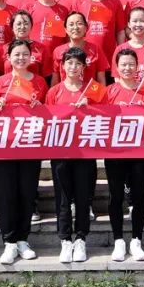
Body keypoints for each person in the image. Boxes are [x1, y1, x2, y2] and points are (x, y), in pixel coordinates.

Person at [0, 40, 48, 264]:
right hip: (5, 146)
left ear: (31, 57)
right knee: (6, 194)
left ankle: (23, 239)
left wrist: (40, 108)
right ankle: (9, 241)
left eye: (25, 54)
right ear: (8, 57)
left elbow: (49, 113)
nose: (21, 58)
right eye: (16, 54)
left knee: (27, 192)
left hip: (30, 144)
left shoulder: (39, 82)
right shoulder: (0, 82)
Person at [105, 49, 144, 263]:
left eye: (131, 64)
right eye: (123, 64)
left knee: (138, 196)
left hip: (140, 152)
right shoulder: (109, 92)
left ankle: (137, 240)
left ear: (137, 66)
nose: (127, 68)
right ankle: (119, 240)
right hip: (115, 152)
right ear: (116, 68)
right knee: (116, 196)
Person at [46, 47, 96, 263]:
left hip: (86, 152)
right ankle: (65, 239)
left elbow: (105, 118)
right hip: (61, 152)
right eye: (69, 63)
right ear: (63, 66)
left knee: (84, 197)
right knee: (63, 198)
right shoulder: (54, 91)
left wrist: (90, 107)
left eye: (77, 63)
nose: (73, 67)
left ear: (83, 67)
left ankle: (81, 238)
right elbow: (48, 120)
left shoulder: (93, 90)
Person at [51, 11, 106, 86]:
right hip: (65, 92)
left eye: (79, 24)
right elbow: (55, 80)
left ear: (86, 28)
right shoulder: (58, 51)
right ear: (66, 29)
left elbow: (101, 80)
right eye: (71, 24)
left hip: (89, 92)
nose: (75, 27)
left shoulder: (96, 49)